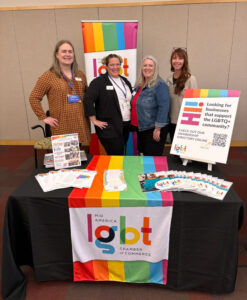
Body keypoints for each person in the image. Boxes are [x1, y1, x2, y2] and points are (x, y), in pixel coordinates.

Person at [30, 40, 91, 145]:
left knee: (77, 158)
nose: (67, 54)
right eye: (64, 51)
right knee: (66, 159)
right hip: (62, 125)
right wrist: (44, 117)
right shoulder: (48, 76)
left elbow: (88, 96)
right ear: (57, 55)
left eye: (70, 51)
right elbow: (34, 97)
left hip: (80, 122)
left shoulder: (80, 74)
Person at [84, 54, 132, 155]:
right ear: (106, 66)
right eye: (112, 65)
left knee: (121, 153)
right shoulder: (99, 82)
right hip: (110, 127)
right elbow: (87, 99)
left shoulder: (125, 81)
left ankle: (119, 170)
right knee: (116, 155)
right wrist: (93, 120)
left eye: (118, 64)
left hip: (125, 125)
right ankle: (115, 170)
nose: (115, 67)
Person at [131, 55, 170, 156]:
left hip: (153, 129)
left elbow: (164, 107)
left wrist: (158, 128)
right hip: (141, 128)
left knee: (152, 159)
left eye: (150, 66)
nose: (147, 68)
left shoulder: (160, 85)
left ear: (155, 68)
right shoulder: (139, 84)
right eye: (145, 65)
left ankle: (153, 173)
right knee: (143, 156)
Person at [166, 47, 197, 143]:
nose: (177, 61)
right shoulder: (168, 79)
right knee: (175, 150)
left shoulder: (190, 79)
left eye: (180, 58)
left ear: (185, 61)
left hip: (184, 122)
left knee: (184, 153)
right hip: (171, 121)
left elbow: (195, 102)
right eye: (174, 58)